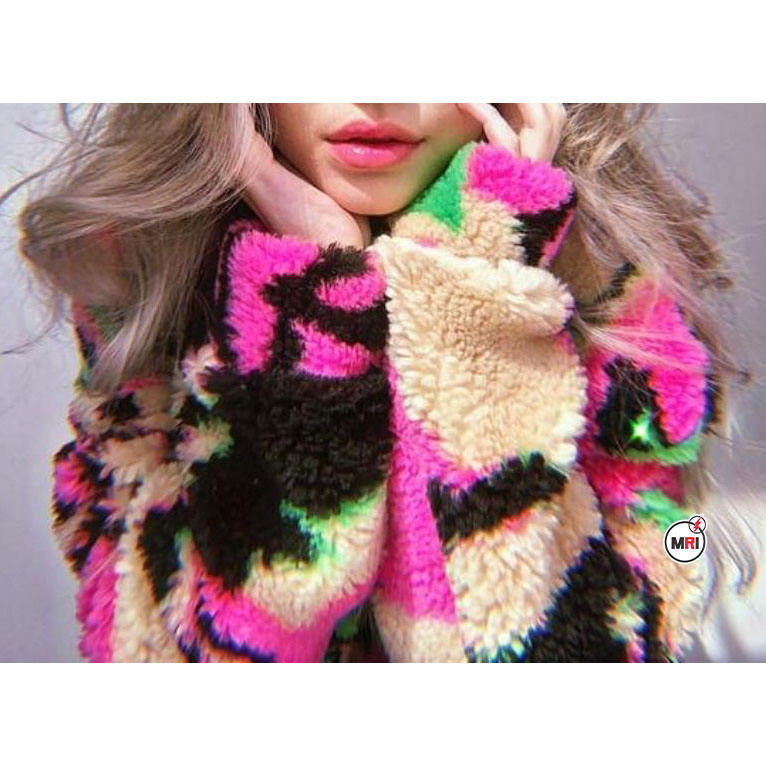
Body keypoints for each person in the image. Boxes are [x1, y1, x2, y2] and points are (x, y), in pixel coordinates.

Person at [7, 103, 750, 661]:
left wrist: (479, 273)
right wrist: (315, 306)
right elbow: (155, 663)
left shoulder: (613, 280)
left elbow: (663, 579)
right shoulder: (147, 273)